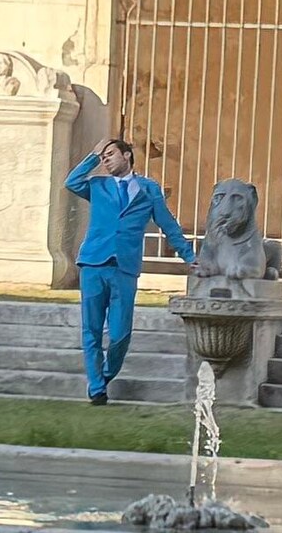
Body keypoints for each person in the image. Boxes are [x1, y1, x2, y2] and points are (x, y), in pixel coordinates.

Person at [67, 135, 191, 403]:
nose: (106, 159)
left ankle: (105, 374)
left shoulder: (148, 189)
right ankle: (97, 388)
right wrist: (93, 154)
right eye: (103, 157)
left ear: (127, 156)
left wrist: (189, 256)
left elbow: (168, 224)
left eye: (110, 154)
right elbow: (72, 182)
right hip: (93, 263)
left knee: (120, 332)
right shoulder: (98, 185)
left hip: (124, 267)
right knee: (91, 329)